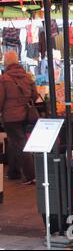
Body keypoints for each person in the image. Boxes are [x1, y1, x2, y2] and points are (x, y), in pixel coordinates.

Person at [0, 50, 38, 184]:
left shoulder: (4, 79)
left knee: (20, 144)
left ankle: (31, 175)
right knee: (14, 143)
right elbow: (34, 95)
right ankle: (14, 172)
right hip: (25, 115)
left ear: (6, 63)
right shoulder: (27, 76)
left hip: (11, 117)